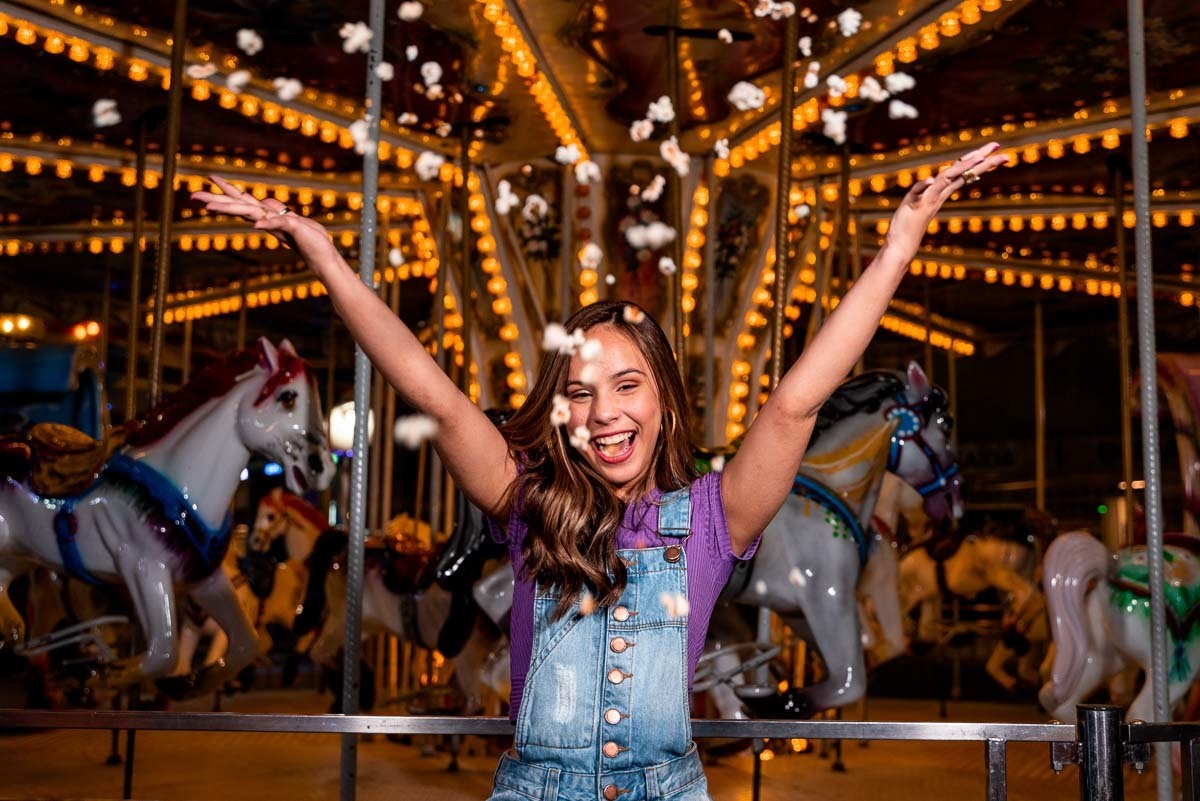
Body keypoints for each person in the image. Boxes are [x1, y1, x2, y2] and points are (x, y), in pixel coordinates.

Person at [194, 141, 1009, 800]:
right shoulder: (528, 505)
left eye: (628, 386)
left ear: (664, 401)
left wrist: (899, 245)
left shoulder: (713, 521)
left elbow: (796, 402)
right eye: (578, 393)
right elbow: (436, 396)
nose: (603, 412)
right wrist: (327, 255)